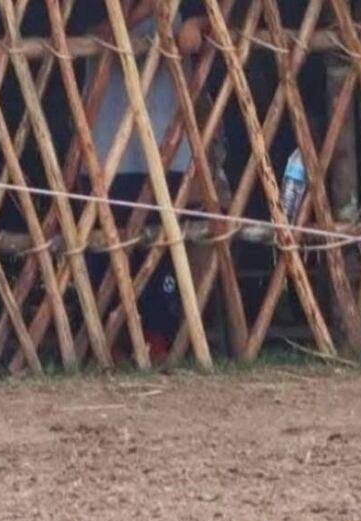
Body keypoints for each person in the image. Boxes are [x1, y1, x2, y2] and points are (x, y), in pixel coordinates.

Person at [78, 1, 212, 362]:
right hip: (108, 149)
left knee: (163, 250)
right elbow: (96, 33)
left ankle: (159, 340)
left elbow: (223, 19)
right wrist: (145, 9)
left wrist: (198, 23)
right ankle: (111, 344)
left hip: (167, 140)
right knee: (108, 251)